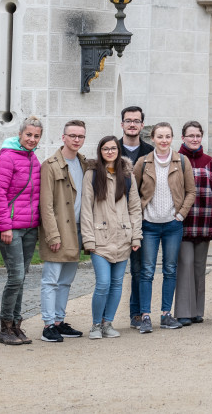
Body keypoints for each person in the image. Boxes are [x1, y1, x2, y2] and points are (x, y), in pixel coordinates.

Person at [132, 121, 196, 333]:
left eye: (167, 136)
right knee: (147, 271)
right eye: (160, 137)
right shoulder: (143, 162)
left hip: (172, 225)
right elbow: (134, 193)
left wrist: (180, 215)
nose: (164, 140)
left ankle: (166, 314)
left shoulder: (182, 161)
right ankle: (145, 316)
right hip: (149, 225)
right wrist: (139, 217)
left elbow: (190, 192)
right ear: (152, 139)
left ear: (172, 138)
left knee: (170, 270)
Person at [81, 136, 142, 339]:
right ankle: (96, 324)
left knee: (117, 284)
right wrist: (88, 239)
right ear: (100, 151)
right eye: (105, 148)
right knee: (103, 283)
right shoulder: (91, 175)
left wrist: (136, 237)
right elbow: (86, 210)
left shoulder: (127, 175)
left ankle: (108, 323)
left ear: (118, 150)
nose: (109, 152)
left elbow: (134, 208)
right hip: (100, 238)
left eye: (113, 148)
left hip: (123, 237)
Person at [0, 116, 43, 346]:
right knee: (16, 277)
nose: (32, 139)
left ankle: (16, 326)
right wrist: (5, 226)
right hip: (11, 228)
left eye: (36, 136)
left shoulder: (34, 160)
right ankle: (5, 328)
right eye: (29, 135)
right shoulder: (7, 159)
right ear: (20, 134)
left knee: (22, 279)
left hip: (30, 227)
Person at [38, 120, 89, 343]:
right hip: (59, 230)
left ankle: (59, 321)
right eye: (73, 136)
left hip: (78, 230)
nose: (76, 140)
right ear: (63, 137)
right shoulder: (50, 165)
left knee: (67, 280)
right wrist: (52, 235)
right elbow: (46, 204)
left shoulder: (85, 163)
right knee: (51, 279)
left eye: (81, 136)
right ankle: (48, 325)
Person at [175, 121, 212, 325]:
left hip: (205, 220)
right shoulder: (177, 160)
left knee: (199, 267)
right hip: (182, 221)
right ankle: (184, 311)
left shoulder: (209, 161)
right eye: (190, 135)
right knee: (186, 264)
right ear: (183, 137)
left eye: (197, 136)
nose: (194, 139)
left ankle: (197, 310)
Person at [118, 105, 154, 329]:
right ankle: (104, 317)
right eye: (128, 120)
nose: (132, 124)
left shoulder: (150, 151)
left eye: (136, 121)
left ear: (142, 125)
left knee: (139, 269)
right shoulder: (110, 148)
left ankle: (138, 313)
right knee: (113, 270)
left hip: (142, 217)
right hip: (115, 218)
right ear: (122, 124)